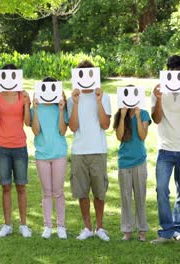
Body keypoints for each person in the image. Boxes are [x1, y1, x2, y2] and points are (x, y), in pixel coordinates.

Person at [150, 55, 180, 244]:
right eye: (172, 71)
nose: (175, 75)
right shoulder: (158, 90)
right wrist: (160, 98)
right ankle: (167, 230)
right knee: (162, 189)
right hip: (165, 147)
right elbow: (156, 119)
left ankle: (179, 230)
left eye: (178, 72)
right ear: (167, 71)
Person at [68, 60, 112, 241]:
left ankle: (100, 227)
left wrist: (99, 101)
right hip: (79, 152)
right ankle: (87, 227)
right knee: (82, 192)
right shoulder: (73, 98)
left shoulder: (104, 96)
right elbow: (72, 127)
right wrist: (76, 103)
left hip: (98, 150)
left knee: (99, 192)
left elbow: (105, 124)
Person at [0, 64, 32, 238]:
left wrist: (27, 103)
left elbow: (28, 122)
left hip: (19, 147)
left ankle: (23, 225)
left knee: (21, 186)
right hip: (2, 148)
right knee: (6, 187)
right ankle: (7, 224)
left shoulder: (21, 95)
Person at [31, 77, 68, 239]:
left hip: (59, 154)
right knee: (47, 193)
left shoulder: (61, 109)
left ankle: (61, 226)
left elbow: (62, 131)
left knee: (58, 192)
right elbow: (36, 131)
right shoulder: (36, 110)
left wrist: (61, 110)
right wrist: (36, 109)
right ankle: (48, 226)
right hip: (42, 156)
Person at [113, 95, 150, 241]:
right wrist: (122, 116)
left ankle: (142, 230)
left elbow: (142, 136)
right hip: (124, 163)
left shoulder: (144, 113)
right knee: (126, 198)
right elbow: (119, 136)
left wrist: (138, 115)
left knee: (140, 197)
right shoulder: (120, 114)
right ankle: (127, 230)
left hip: (139, 161)